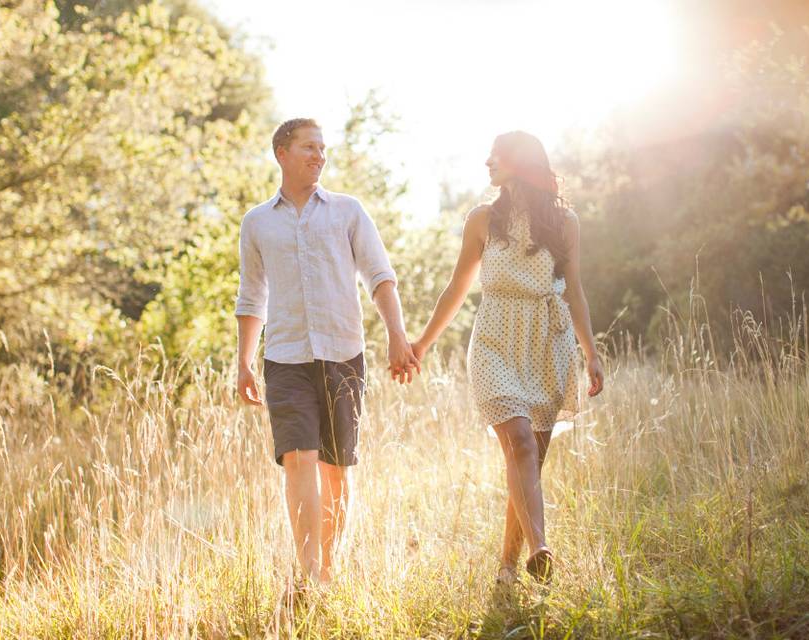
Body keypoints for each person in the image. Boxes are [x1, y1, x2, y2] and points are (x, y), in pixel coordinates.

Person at [411, 131, 604, 582]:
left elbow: (574, 291)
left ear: (519, 162)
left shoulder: (564, 222)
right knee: (518, 440)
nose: (487, 161)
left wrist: (591, 351)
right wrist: (421, 344)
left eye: (496, 154)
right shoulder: (482, 219)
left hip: (547, 343)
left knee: (529, 462)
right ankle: (541, 546)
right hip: (495, 341)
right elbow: (458, 287)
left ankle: (509, 565)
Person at [235, 118, 420, 587]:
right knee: (298, 459)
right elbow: (251, 296)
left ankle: (331, 567)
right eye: (308, 147)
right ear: (282, 152)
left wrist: (397, 334)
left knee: (335, 470)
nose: (319, 155)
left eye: (323, 148)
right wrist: (242, 361)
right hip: (284, 358)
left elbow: (380, 276)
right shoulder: (257, 222)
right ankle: (311, 575)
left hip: (343, 354)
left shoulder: (347, 211)